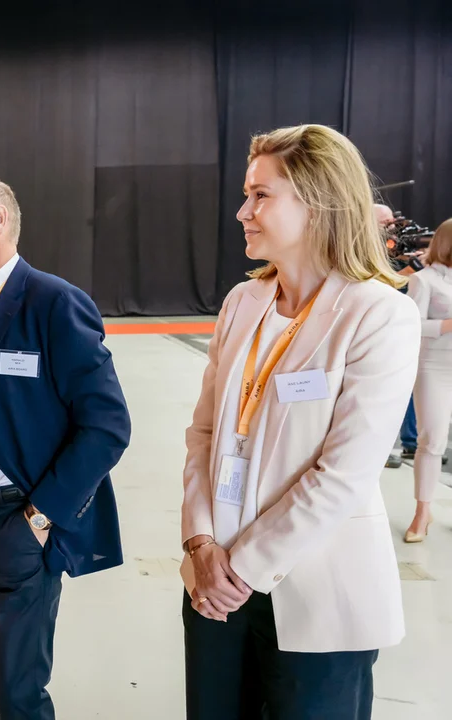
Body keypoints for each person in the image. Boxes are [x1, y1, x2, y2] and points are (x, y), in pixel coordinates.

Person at [180, 124, 420, 720]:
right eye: (246, 193)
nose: (242, 211)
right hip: (215, 590)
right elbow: (205, 436)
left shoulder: (377, 314)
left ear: (318, 203)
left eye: (261, 195)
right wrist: (200, 544)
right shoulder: (244, 303)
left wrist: (238, 569)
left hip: (320, 598)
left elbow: (342, 474)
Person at [0, 178, 131, 719]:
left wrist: (40, 518)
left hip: (17, 522)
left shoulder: (53, 302)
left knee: (18, 691)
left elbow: (108, 426)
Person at [404, 218, 452, 542]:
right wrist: (448, 324)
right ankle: (422, 512)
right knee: (432, 439)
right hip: (434, 367)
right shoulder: (423, 280)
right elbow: (413, 325)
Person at [377, 203, 420, 468]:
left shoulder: (396, 248)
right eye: (385, 223)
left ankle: (404, 443)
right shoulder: (357, 249)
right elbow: (375, 282)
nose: (391, 227)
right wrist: (408, 271)